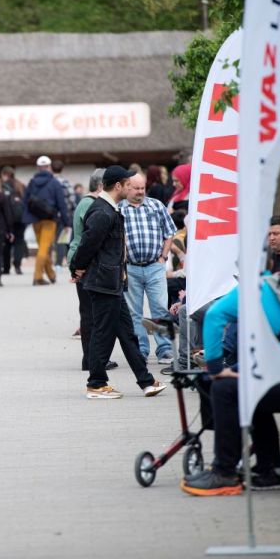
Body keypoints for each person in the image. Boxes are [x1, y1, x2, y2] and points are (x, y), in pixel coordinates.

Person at [181, 257, 280, 496]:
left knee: (224, 388)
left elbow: (213, 317)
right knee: (248, 387)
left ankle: (224, 473)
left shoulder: (258, 289)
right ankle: (270, 470)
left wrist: (215, 369)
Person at [69, 165, 167, 400]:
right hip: (103, 281)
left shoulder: (109, 210)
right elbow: (87, 243)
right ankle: (96, 383)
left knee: (127, 332)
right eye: (127, 184)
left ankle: (146, 381)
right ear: (118, 186)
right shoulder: (102, 212)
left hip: (113, 282)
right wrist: (77, 267)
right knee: (103, 333)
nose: (131, 188)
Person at [120, 173, 178, 364]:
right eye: (136, 188)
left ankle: (165, 349)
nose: (140, 192)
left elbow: (170, 232)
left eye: (142, 188)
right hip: (131, 268)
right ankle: (141, 350)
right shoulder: (119, 209)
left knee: (160, 309)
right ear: (127, 187)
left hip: (155, 266)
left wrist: (163, 257)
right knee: (134, 312)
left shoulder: (156, 205)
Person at [68, 169, 117, 371]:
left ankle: (91, 358)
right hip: (85, 260)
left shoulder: (85, 203)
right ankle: (91, 359)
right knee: (90, 313)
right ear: (100, 186)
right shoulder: (90, 204)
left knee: (89, 312)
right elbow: (90, 239)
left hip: (81, 257)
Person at [23, 156, 70, 286]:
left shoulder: (32, 182)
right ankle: (37, 277)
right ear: (49, 167)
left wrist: (26, 218)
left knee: (42, 248)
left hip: (35, 220)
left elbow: (25, 201)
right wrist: (66, 222)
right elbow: (62, 204)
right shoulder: (55, 183)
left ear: (38, 168)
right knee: (45, 248)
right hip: (50, 219)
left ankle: (51, 275)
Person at [0, 166, 26, 276]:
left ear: (5, 174)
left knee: (7, 242)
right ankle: (18, 266)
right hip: (21, 218)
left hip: (7, 218)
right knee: (19, 242)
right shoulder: (21, 185)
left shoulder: (3, 186)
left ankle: (6, 267)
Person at [52, 160, 76, 268]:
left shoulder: (49, 182)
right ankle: (60, 262)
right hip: (64, 214)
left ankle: (50, 261)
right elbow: (72, 199)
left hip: (49, 214)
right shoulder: (66, 183)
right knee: (63, 238)